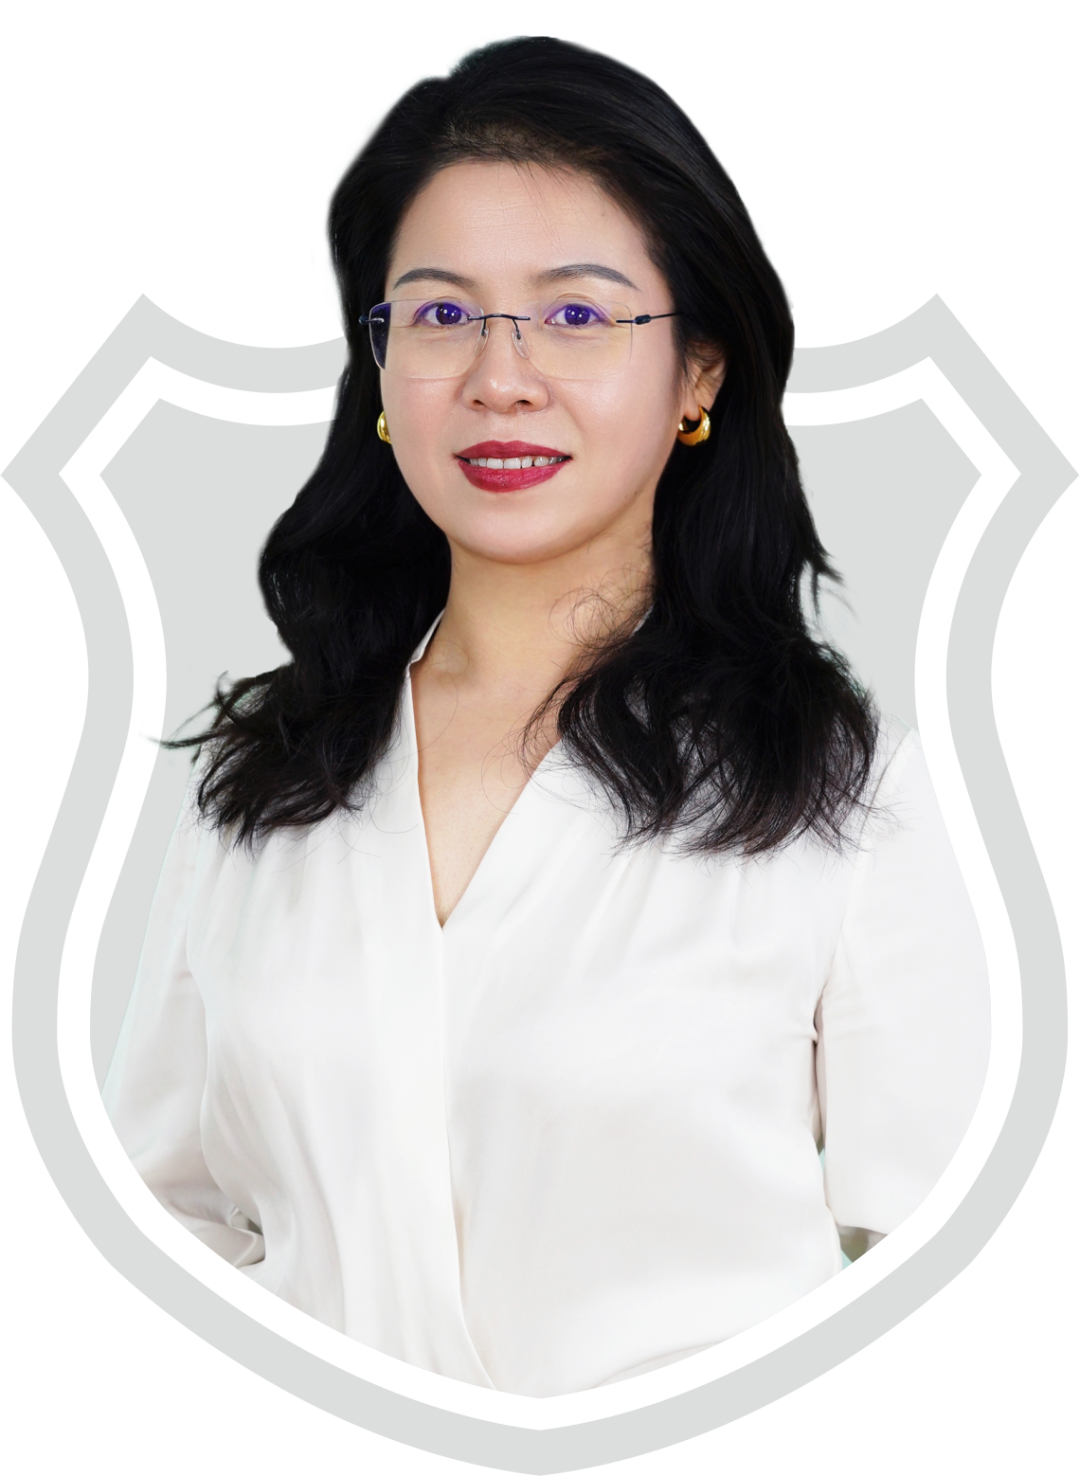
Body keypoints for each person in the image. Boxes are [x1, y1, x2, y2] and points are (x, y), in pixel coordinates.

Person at [102, 35, 992, 1399]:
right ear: (379, 371)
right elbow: (168, 1220)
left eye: (577, 315)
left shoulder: (844, 785)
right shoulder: (257, 775)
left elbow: (931, 1243)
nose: (499, 377)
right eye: (440, 315)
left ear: (699, 372)